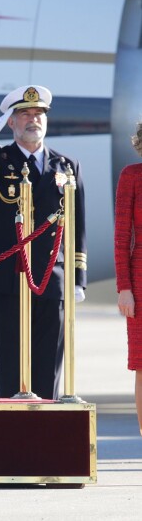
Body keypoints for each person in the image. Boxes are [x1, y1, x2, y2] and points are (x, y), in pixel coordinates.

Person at [0, 85, 87, 400]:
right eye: (24, 114)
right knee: (11, 364)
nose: (33, 120)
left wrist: (77, 278)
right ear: (11, 122)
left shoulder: (66, 166)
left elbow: (77, 226)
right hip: (9, 274)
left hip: (53, 276)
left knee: (49, 362)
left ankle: (45, 432)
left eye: (39, 114)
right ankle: (10, 435)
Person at [115, 122, 142, 435]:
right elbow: (122, 236)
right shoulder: (132, 176)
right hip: (139, 280)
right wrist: (124, 288)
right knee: (141, 365)